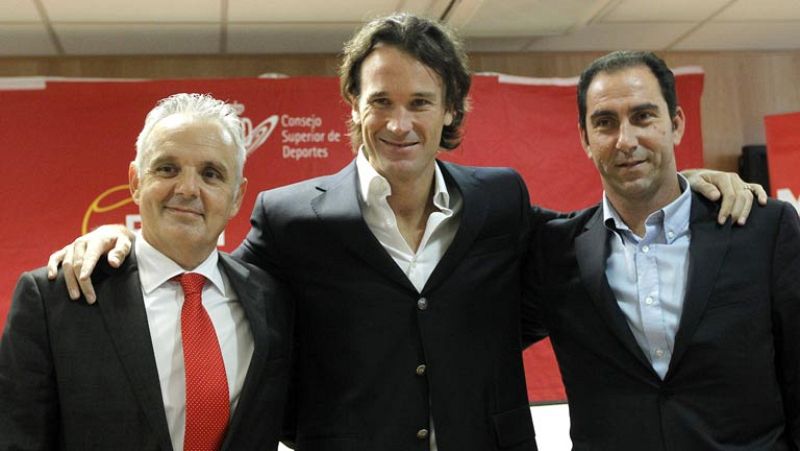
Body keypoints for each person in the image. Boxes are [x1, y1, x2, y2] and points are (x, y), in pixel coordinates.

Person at [44, 15, 764, 451]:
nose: (398, 122)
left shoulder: (499, 201)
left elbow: (593, 240)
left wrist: (686, 188)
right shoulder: (292, 218)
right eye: (380, 100)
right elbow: (209, 279)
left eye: (420, 102)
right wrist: (118, 243)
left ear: (449, 109)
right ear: (352, 106)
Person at [524, 51, 800, 450]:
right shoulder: (555, 251)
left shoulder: (761, 229)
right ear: (585, 139)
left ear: (676, 124)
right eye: (605, 123)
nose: (625, 140)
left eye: (643, 117)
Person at [0, 93, 294, 451]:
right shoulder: (56, 298)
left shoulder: (272, 301)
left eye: (211, 174)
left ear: (236, 197)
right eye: (167, 169)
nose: (187, 189)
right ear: (136, 181)